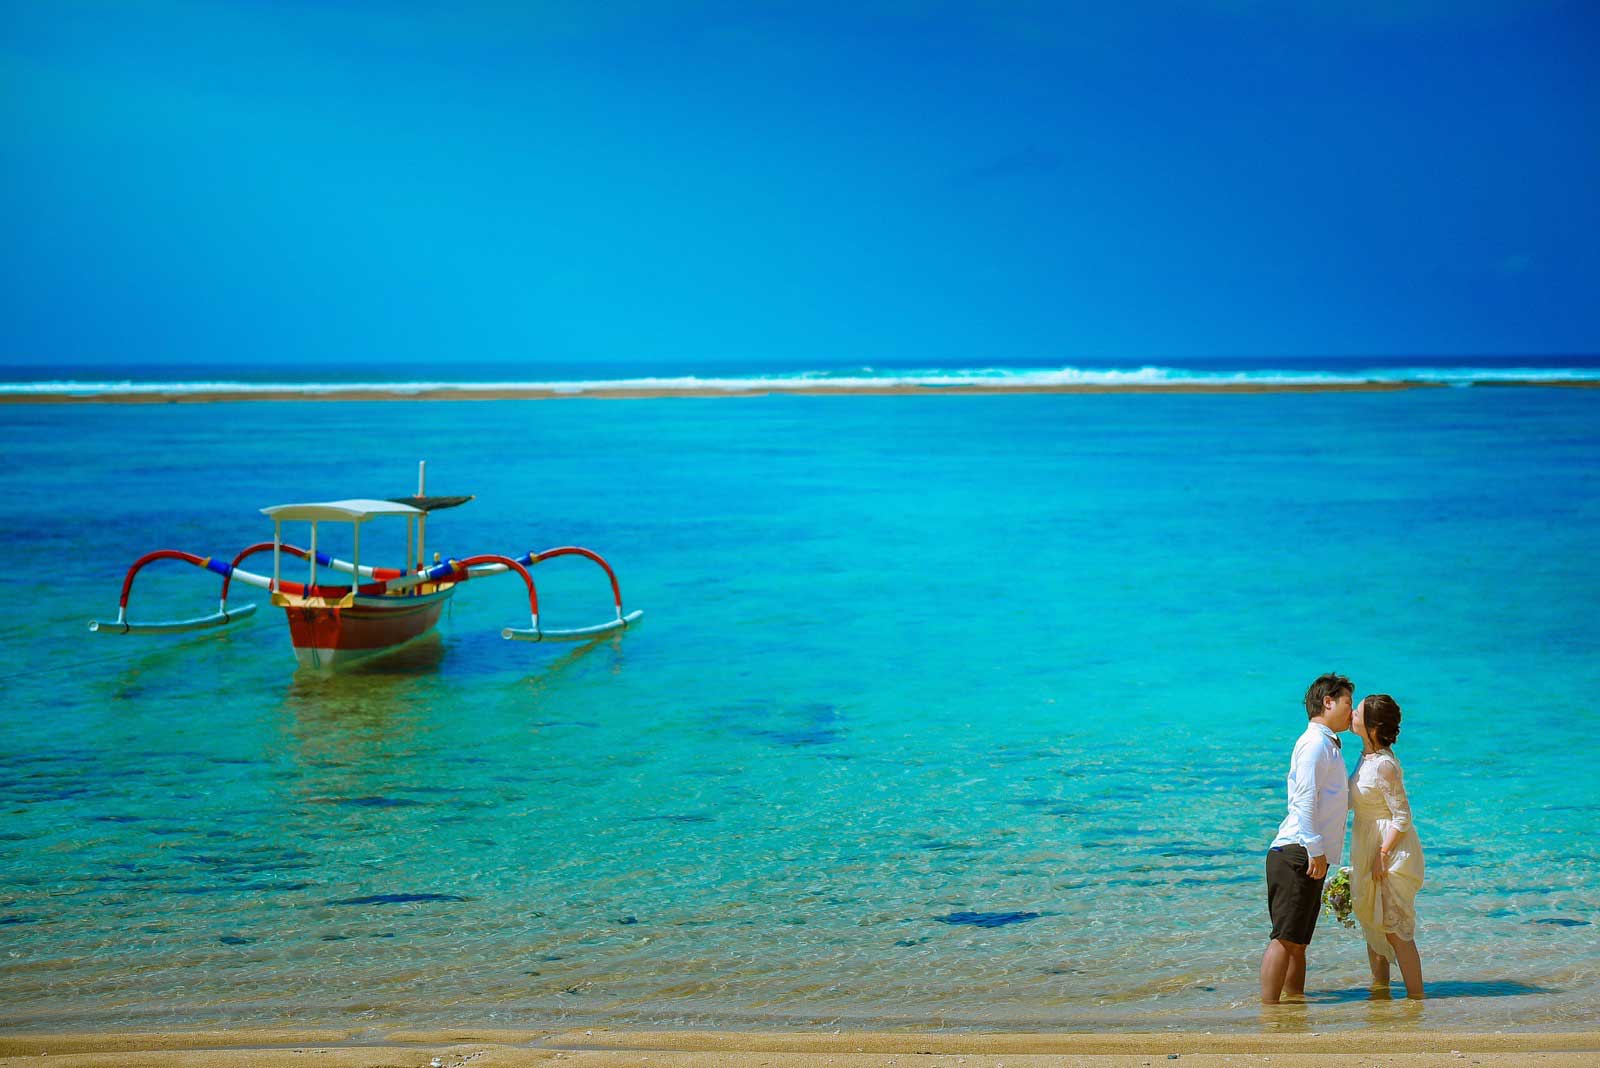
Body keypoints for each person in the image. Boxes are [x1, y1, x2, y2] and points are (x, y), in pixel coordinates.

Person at [1260, 672, 1352, 1004]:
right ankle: (1269, 1011)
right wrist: (1315, 849)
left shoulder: (1327, 744)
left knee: (1299, 943)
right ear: (1328, 702)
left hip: (1308, 852)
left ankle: (1295, 1007)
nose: (1351, 711)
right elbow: (1304, 798)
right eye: (1348, 703)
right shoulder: (1315, 743)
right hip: (1297, 850)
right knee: (1285, 938)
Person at [1348, 693, 1425, 998]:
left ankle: (1416, 999)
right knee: (1372, 923)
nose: (1352, 714)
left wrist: (1382, 853)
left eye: (1358, 712)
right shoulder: (1364, 757)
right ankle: (1380, 997)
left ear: (1373, 727)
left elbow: (1403, 815)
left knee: (1395, 928)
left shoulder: (1384, 765)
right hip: (1366, 843)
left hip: (1390, 851)